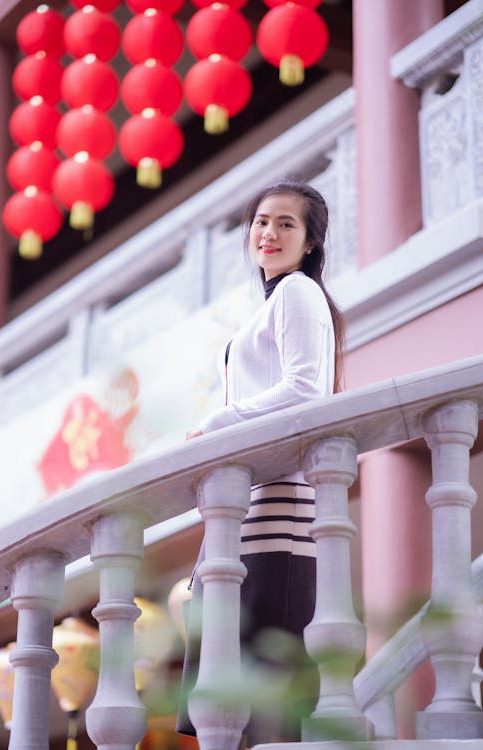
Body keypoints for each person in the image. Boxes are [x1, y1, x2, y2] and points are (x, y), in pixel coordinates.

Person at [177, 180, 344, 746]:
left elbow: (305, 392)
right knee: (231, 696)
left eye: (285, 224)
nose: (268, 233)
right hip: (249, 510)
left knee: (265, 702)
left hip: (278, 512)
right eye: (261, 222)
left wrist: (218, 423)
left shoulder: (298, 292)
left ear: (311, 244)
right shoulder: (271, 304)